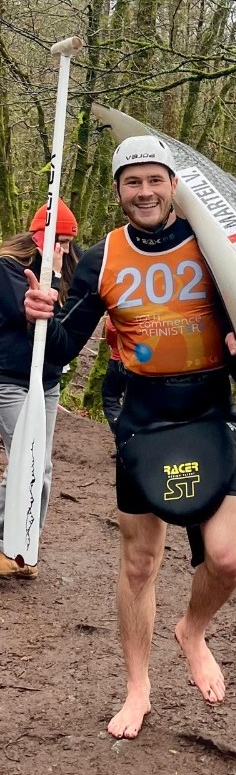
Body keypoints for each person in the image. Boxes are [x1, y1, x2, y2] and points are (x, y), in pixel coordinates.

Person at [24, 136, 236, 740]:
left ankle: (193, 631)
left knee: (227, 559)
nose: (145, 191)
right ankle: (138, 688)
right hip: (141, 416)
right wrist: (39, 314)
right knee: (140, 560)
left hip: (210, 412)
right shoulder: (105, 257)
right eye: (133, 181)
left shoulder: (212, 248)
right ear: (119, 190)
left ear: (173, 185)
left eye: (155, 179)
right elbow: (62, 348)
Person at [0, 199, 80, 580]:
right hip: (11, 382)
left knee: (41, 468)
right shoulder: (9, 269)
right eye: (54, 240)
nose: (60, 249)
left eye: (65, 242)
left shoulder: (70, 273)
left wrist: (60, 281)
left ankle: (24, 545)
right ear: (35, 238)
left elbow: (67, 328)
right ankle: (6, 541)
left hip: (47, 384)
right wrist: (40, 294)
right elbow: (26, 307)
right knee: (27, 462)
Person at [101, 315, 126, 435]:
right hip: (140, 363)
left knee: (110, 398)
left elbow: (110, 332)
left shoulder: (117, 309)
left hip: (117, 360)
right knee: (135, 400)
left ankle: (120, 431)